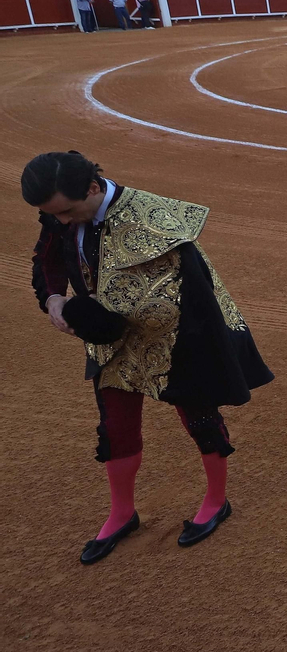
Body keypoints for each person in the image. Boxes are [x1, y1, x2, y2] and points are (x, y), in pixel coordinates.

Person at [24, 151, 273, 563]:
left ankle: (216, 500)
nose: (63, 221)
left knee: (200, 418)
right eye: (55, 215)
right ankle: (122, 513)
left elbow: (198, 292)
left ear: (91, 188)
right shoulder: (60, 209)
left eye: (68, 212)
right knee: (115, 426)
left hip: (177, 336)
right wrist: (52, 298)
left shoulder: (157, 217)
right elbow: (47, 257)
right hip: (108, 339)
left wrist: (197, 348)